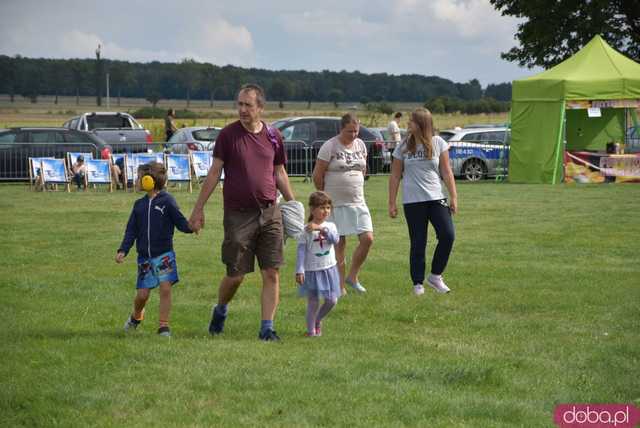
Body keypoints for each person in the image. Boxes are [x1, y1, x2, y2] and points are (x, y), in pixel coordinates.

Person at [188, 83, 295, 342]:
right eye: (240, 104)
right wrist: (198, 209)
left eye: (248, 105)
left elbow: (279, 172)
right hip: (238, 215)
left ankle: (267, 328)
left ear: (260, 107)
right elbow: (214, 173)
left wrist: (294, 204)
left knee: (271, 271)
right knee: (235, 275)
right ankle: (221, 309)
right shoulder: (228, 135)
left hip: (270, 212)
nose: (243, 109)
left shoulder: (273, 136)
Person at [116, 161, 193, 337]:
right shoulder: (139, 205)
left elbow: (180, 222)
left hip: (164, 255)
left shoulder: (167, 201)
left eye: (139, 178)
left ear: (149, 180)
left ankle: (163, 326)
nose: (137, 181)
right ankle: (136, 316)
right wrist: (123, 250)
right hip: (145, 258)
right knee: (142, 295)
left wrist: (192, 226)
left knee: (165, 288)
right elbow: (131, 230)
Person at [388, 108, 457, 296]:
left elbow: (446, 172)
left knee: (448, 235)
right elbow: (395, 176)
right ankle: (417, 283)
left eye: (411, 121)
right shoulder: (402, 146)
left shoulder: (438, 143)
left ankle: (435, 276)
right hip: (413, 201)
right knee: (418, 242)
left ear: (422, 124)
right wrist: (391, 203)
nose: (408, 123)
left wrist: (453, 196)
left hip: (436, 198)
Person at [312, 113, 373, 295]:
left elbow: (363, 170)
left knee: (368, 239)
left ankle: (352, 276)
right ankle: (339, 286)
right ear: (341, 129)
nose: (353, 134)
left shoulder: (361, 145)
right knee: (340, 244)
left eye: (356, 131)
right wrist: (325, 199)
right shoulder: (329, 146)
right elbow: (317, 174)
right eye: (349, 131)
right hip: (335, 205)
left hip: (358, 202)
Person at [295, 191, 341, 337]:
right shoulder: (305, 230)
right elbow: (301, 251)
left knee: (332, 300)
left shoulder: (331, 226)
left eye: (328, 207)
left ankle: (317, 320)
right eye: (321, 208)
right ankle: (311, 332)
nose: (325, 211)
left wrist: (321, 229)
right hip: (312, 270)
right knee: (313, 302)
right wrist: (300, 269)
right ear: (312, 209)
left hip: (329, 268)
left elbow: (335, 240)